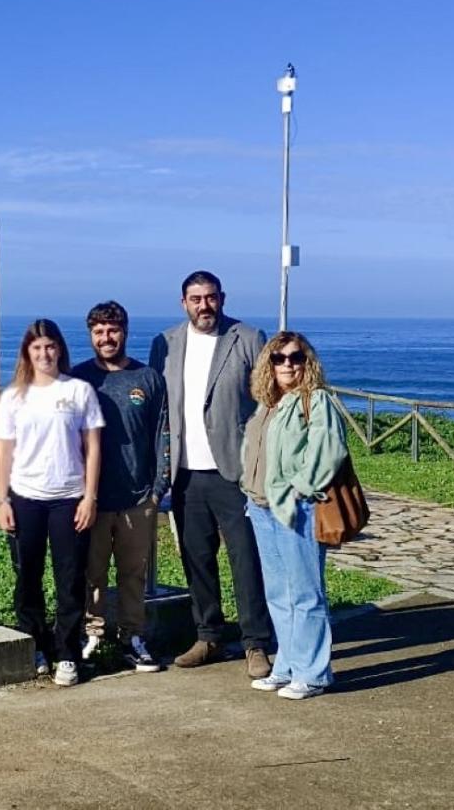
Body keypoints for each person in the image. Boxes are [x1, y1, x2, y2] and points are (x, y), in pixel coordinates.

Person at [148, 271, 274, 679]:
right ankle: (209, 636)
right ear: (183, 302)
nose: (204, 306)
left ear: (222, 298)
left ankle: (256, 642)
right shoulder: (165, 343)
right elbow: (159, 410)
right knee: (196, 558)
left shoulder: (249, 337)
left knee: (245, 558)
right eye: (196, 299)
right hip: (184, 471)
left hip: (232, 471)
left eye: (211, 297)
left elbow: (265, 402)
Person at [0, 319, 104, 687]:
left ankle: (68, 654)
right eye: (37, 347)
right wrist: (2, 500)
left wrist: (89, 497)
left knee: (70, 580)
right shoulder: (13, 397)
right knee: (28, 577)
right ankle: (37, 645)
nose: (44, 353)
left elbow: (93, 449)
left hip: (69, 499)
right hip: (26, 499)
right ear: (27, 352)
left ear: (60, 349)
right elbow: (3, 453)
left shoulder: (79, 391)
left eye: (51, 346)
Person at [241, 332, 347, 700]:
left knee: (305, 592)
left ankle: (314, 673)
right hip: (260, 507)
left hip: (295, 509)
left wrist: (298, 488)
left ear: (308, 362)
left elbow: (329, 452)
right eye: (279, 358)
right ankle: (288, 666)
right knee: (279, 594)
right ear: (268, 364)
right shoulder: (268, 403)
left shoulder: (315, 401)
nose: (288, 364)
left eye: (296, 357)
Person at [72, 301, 169, 672]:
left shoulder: (147, 378)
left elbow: (163, 432)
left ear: (125, 331)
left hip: (138, 496)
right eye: (98, 331)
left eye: (112, 330)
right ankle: (92, 635)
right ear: (91, 335)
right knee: (91, 573)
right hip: (91, 499)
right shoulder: (79, 379)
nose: (106, 337)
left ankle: (132, 637)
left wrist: (158, 487)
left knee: (133, 574)